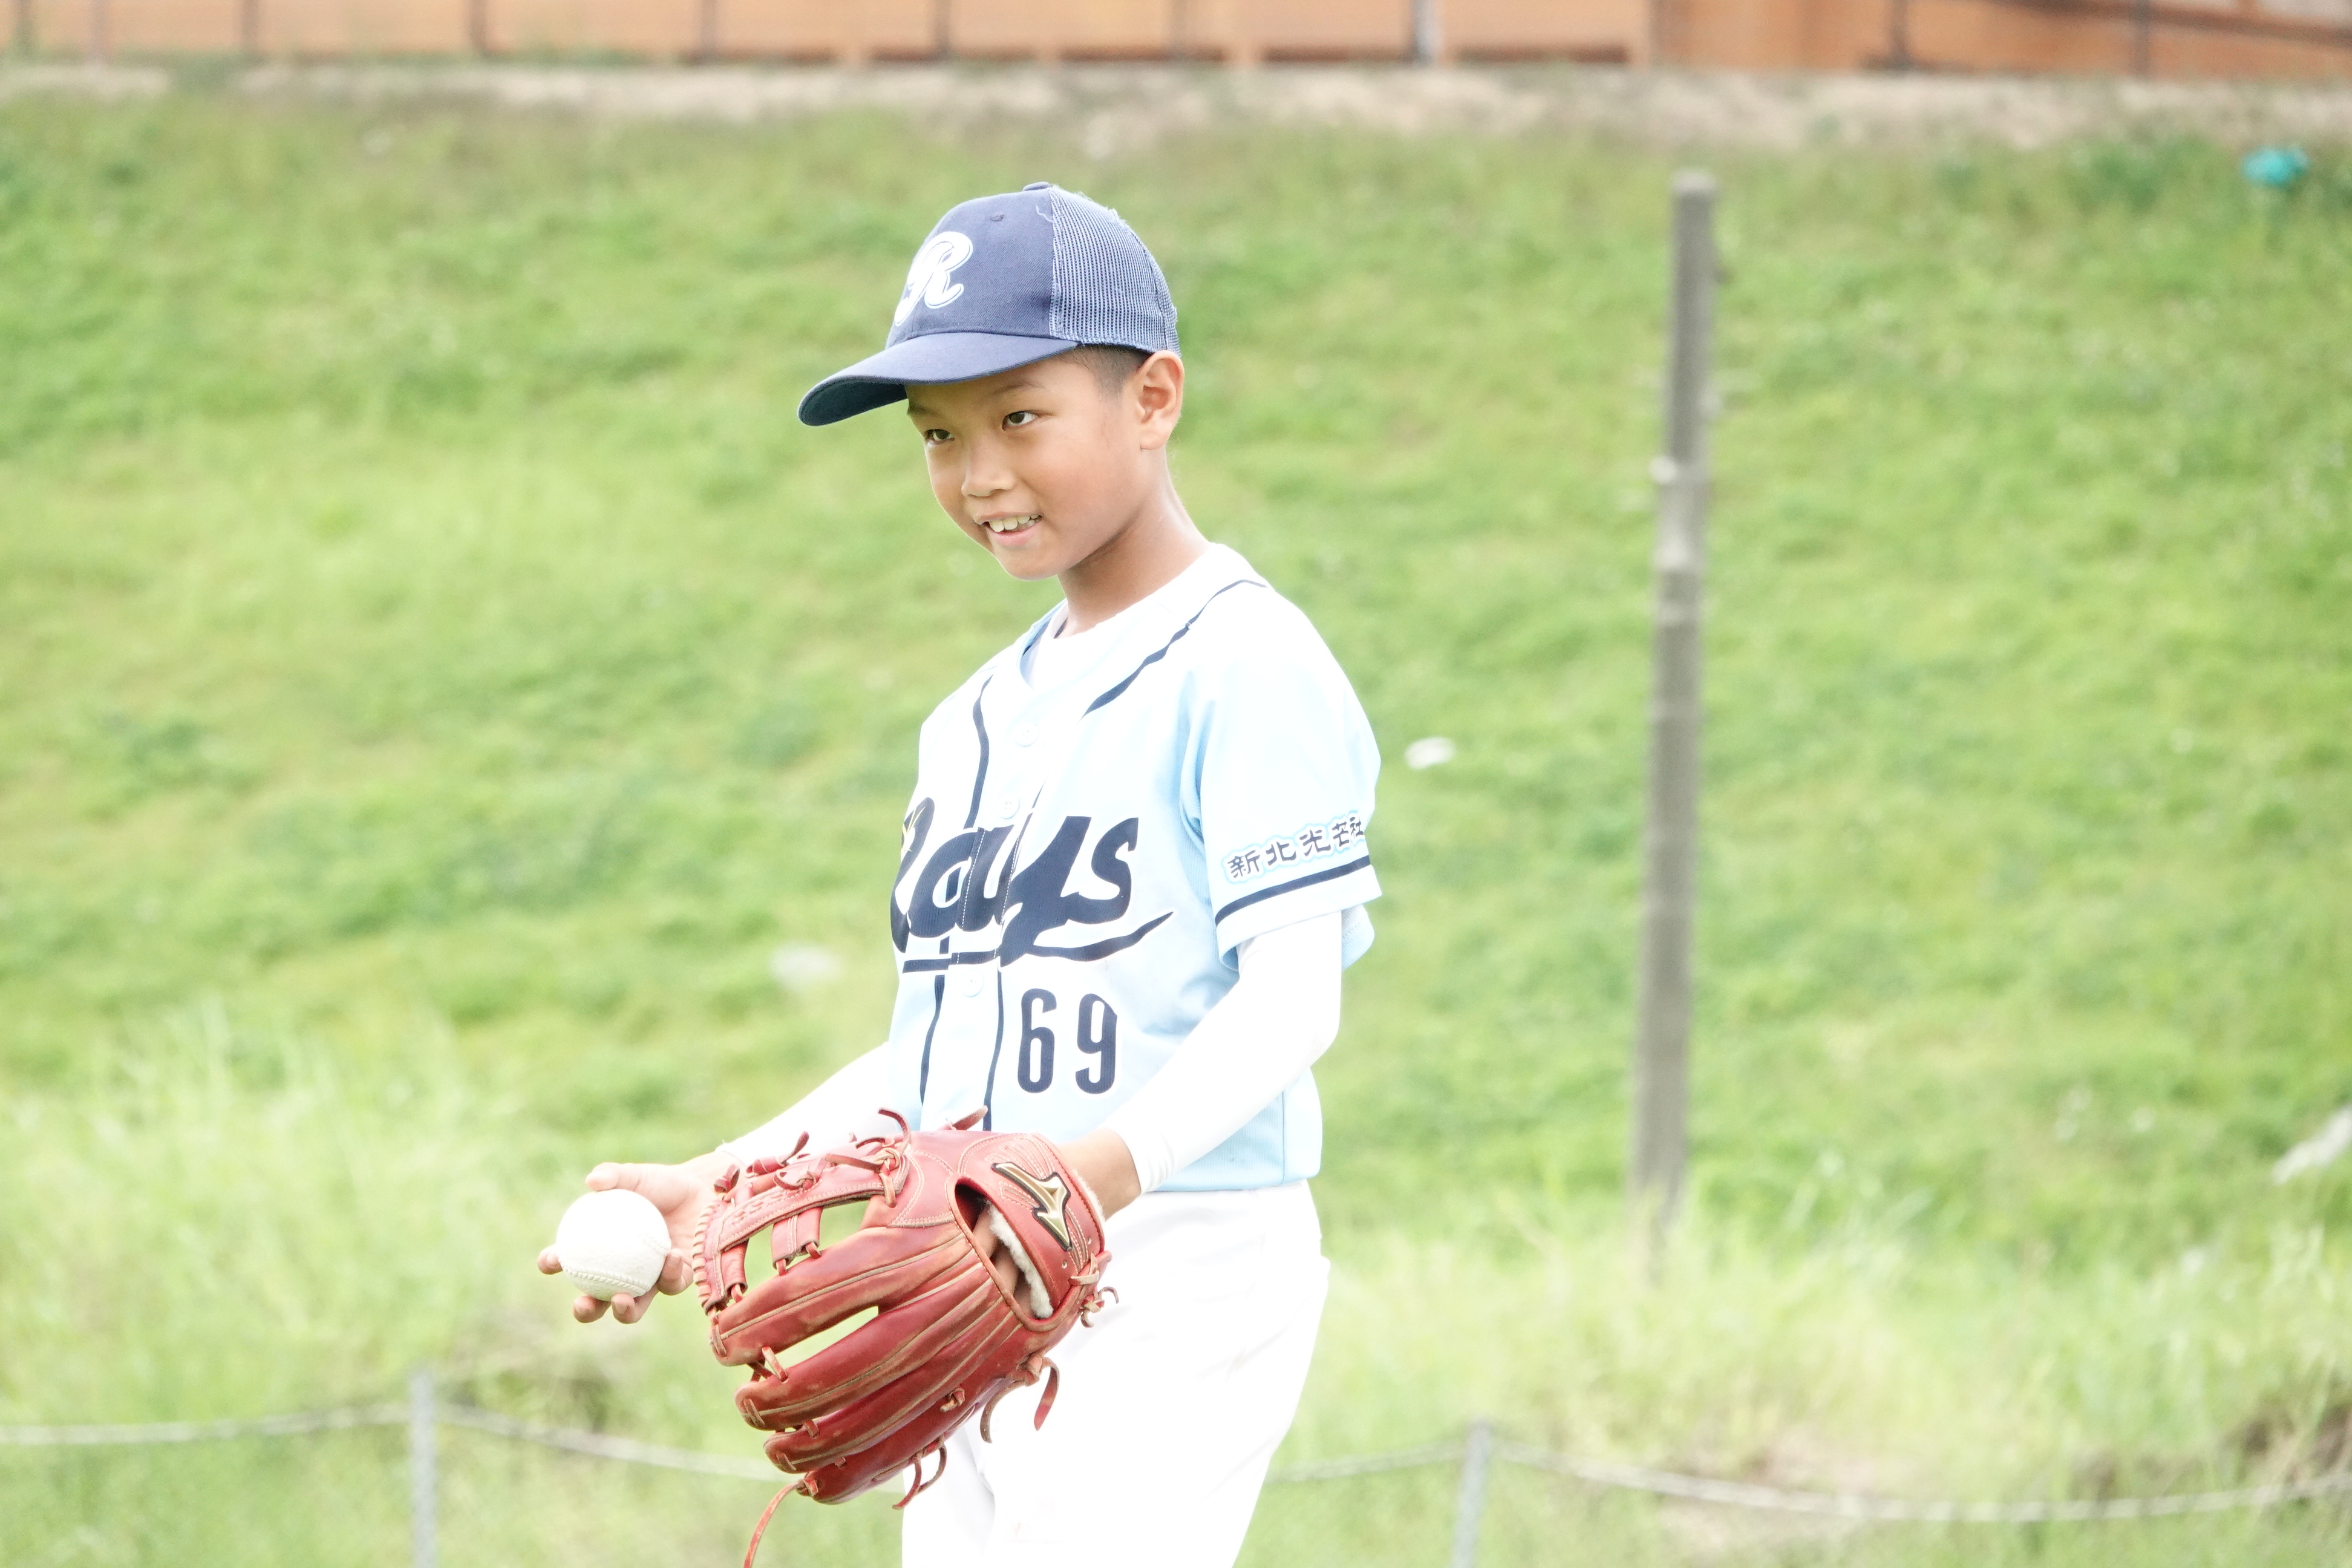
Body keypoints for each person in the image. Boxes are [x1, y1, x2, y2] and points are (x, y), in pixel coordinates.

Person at [537, 181, 1381, 1568]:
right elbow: (941, 1057)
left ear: (1153, 397)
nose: (981, 472)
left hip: (1179, 1254)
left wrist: (1087, 1180)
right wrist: (727, 1180)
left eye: (1021, 416)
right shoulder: (972, 722)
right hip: (971, 1260)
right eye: (940, 433)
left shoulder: (1247, 662)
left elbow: (1293, 1001)